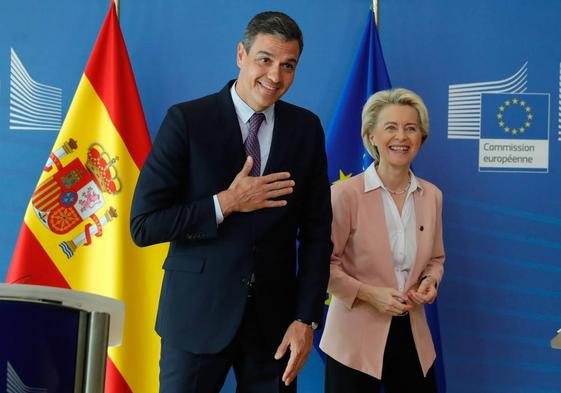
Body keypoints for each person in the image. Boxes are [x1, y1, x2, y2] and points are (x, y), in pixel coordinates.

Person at [130, 11, 332, 393]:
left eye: (288, 66)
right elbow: (144, 225)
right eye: (265, 60)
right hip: (196, 319)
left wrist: (306, 318)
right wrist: (225, 202)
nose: (275, 76)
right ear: (241, 54)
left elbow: (319, 235)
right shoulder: (187, 121)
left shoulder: (306, 129)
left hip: (275, 327)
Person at [319, 88, 445, 392]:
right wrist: (367, 293)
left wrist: (431, 282)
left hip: (413, 336)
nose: (401, 137)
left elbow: (436, 260)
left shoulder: (432, 196)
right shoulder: (343, 195)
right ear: (371, 136)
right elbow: (322, 264)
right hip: (353, 340)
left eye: (410, 128)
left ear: (421, 138)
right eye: (391, 127)